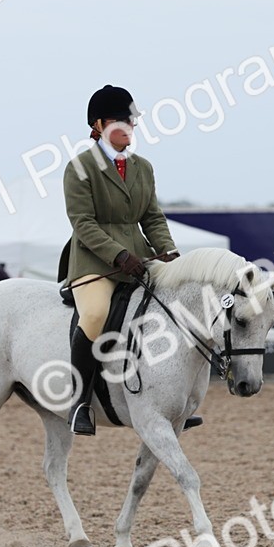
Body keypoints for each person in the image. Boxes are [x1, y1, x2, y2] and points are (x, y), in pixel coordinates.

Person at [62, 84, 179, 436]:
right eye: (120, 121)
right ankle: (79, 402)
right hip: (95, 262)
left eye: (132, 121)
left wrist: (168, 250)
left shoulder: (143, 167)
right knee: (95, 314)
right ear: (98, 125)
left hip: (139, 257)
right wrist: (119, 254)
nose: (129, 127)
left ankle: (175, 400)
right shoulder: (80, 168)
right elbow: (83, 223)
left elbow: (153, 217)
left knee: (172, 304)